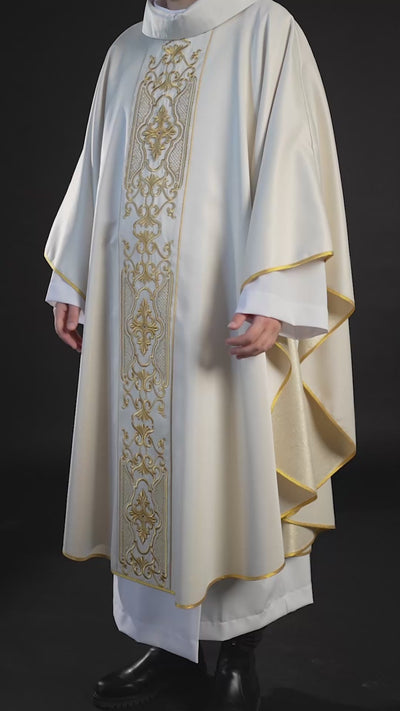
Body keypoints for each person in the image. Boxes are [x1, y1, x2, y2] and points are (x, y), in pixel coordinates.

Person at [44, 0, 356, 709]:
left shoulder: (265, 29)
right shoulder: (127, 50)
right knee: (151, 473)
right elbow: (95, 165)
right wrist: (73, 277)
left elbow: (292, 159)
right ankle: (165, 644)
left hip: (226, 307)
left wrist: (275, 290)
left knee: (230, 466)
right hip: (134, 316)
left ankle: (240, 648)